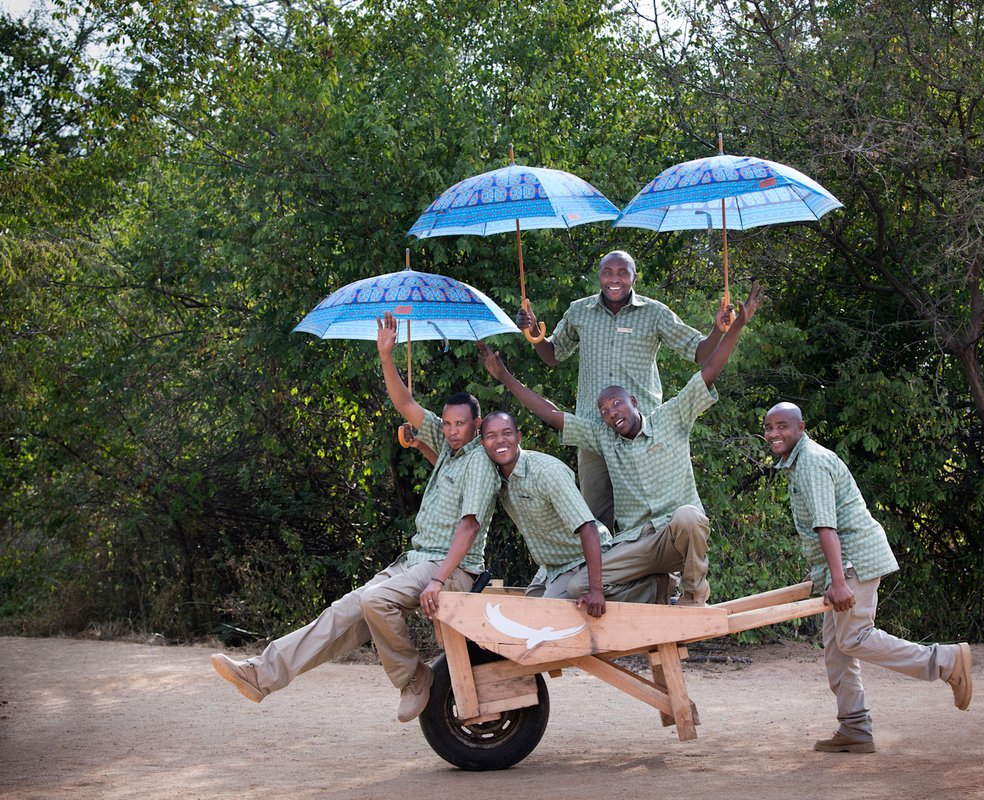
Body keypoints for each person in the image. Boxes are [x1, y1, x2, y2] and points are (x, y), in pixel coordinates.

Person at [210, 311, 500, 723]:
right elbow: (405, 402)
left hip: (451, 568)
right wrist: (386, 355)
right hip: (416, 561)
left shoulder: (478, 462)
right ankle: (262, 674)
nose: (452, 430)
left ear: (476, 425)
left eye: (460, 425)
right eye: (448, 423)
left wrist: (438, 579)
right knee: (342, 613)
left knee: (374, 599)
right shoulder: (446, 449)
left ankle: (414, 677)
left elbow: (469, 526)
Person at [482, 283, 763, 608]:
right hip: (637, 544)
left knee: (689, 517)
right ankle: (655, 588)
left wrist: (737, 325)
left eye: (616, 405)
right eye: (604, 411)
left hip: (674, 534)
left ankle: (693, 592)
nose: (612, 413)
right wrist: (504, 376)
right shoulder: (604, 438)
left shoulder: (670, 418)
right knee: (582, 584)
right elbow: (551, 412)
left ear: (632, 401)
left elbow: (709, 368)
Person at [762, 401, 973, 754]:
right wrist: (823, 573)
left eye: (782, 426)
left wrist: (839, 580)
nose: (773, 434)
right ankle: (855, 728)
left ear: (801, 428)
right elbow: (823, 529)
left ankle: (945, 661)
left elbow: (826, 526)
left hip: (853, 561)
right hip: (842, 564)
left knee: (855, 638)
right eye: (768, 428)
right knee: (837, 648)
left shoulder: (811, 462)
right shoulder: (800, 462)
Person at [516, 250, 729, 534]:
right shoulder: (580, 311)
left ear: (634, 278)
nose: (614, 279)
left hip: (643, 436)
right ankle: (607, 577)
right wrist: (534, 334)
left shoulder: (655, 313)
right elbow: (553, 354)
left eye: (622, 273)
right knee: (595, 516)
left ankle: (658, 575)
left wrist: (719, 329)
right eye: (607, 272)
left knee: (652, 517)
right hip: (594, 432)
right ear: (599, 276)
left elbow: (700, 352)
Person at [477, 411, 663, 612]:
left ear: (519, 437)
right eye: (491, 436)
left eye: (507, 433)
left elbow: (587, 526)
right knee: (526, 613)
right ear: (482, 443)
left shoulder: (545, 472)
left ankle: (652, 586)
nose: (500, 440)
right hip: (551, 567)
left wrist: (595, 589)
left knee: (550, 616)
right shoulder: (497, 478)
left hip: (581, 558)